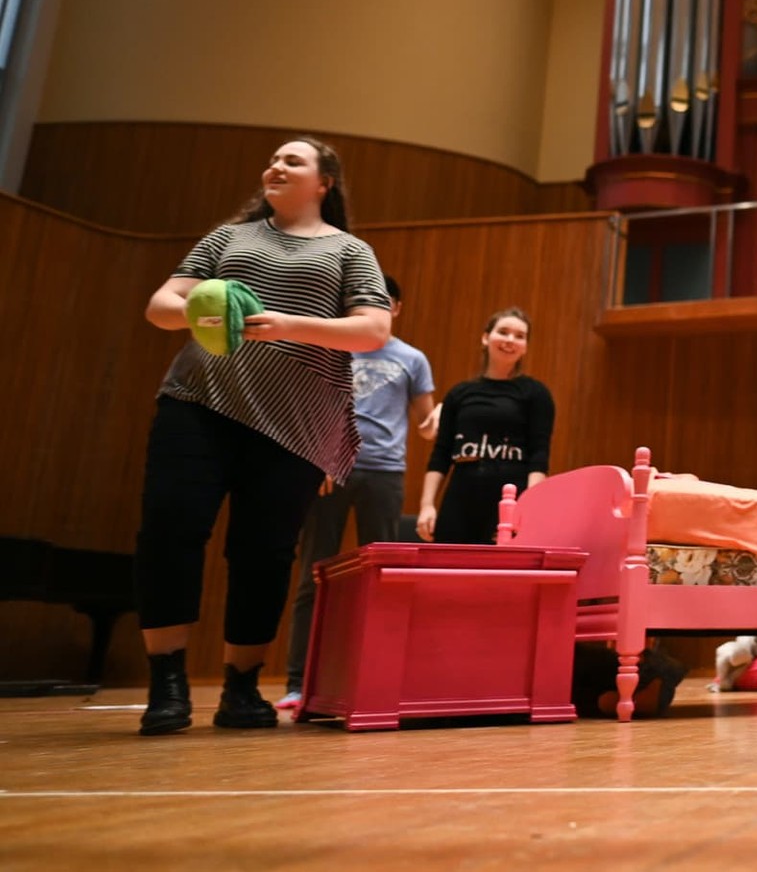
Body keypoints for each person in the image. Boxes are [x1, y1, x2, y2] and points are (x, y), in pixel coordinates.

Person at [135, 137, 391, 735]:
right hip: (197, 402)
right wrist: (199, 312)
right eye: (273, 160)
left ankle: (241, 688)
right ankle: (166, 683)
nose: (276, 166)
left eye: (293, 161)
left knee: (263, 554)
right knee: (169, 530)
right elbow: (160, 304)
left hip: (293, 422)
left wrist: (288, 326)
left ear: (325, 181)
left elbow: (373, 329)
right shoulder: (228, 238)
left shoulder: (350, 251)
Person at [276, 274, 436, 709]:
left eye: (385, 301)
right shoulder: (333, 347)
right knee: (315, 574)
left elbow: (425, 426)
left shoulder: (413, 359)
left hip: (385, 473)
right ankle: (298, 683)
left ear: (396, 308)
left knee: (380, 579)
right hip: (331, 470)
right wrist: (319, 458)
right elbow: (310, 411)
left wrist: (443, 417)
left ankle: (374, 677)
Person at [416, 308, 553, 545]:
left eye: (520, 336)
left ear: (525, 347)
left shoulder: (536, 394)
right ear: (485, 337)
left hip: (508, 501)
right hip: (460, 496)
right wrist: (427, 506)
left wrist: (527, 509)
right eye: (503, 332)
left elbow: (539, 456)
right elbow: (440, 455)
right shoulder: (459, 394)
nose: (511, 340)